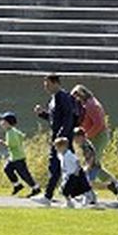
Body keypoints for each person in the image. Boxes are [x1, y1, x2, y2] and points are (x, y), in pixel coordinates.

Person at [70, 85, 118, 199]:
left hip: (98, 137)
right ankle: (117, 184)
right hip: (93, 136)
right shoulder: (87, 104)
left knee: (91, 164)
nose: (75, 100)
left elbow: (98, 124)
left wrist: (85, 136)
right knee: (94, 164)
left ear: (81, 94)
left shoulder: (92, 105)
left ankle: (86, 192)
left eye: (76, 97)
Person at [33, 74, 76, 205]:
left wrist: (61, 137)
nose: (45, 87)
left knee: (58, 166)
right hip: (58, 137)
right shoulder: (54, 98)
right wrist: (42, 114)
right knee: (66, 167)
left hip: (62, 139)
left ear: (56, 83)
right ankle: (86, 194)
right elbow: (54, 119)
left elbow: (69, 119)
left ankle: (48, 196)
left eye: (47, 84)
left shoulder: (63, 97)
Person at [0, 111, 41, 197]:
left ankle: (36, 188)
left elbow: (12, 145)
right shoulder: (12, 130)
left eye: (3, 121)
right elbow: (21, 135)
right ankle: (17, 185)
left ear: (8, 123)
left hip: (18, 158)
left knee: (24, 175)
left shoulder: (10, 133)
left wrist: (2, 142)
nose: (1, 123)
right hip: (14, 157)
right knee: (7, 169)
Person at [73, 128, 118, 201]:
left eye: (75, 138)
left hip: (92, 166)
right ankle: (111, 186)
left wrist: (87, 167)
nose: (75, 140)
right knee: (89, 183)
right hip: (93, 165)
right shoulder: (84, 144)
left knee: (88, 183)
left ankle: (92, 196)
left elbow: (91, 156)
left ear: (81, 137)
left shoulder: (85, 145)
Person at [54, 138, 96, 208]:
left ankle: (86, 197)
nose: (56, 148)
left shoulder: (69, 154)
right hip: (69, 175)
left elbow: (77, 162)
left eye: (58, 147)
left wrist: (77, 171)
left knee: (67, 190)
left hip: (74, 174)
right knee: (65, 190)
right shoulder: (60, 155)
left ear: (64, 147)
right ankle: (71, 202)